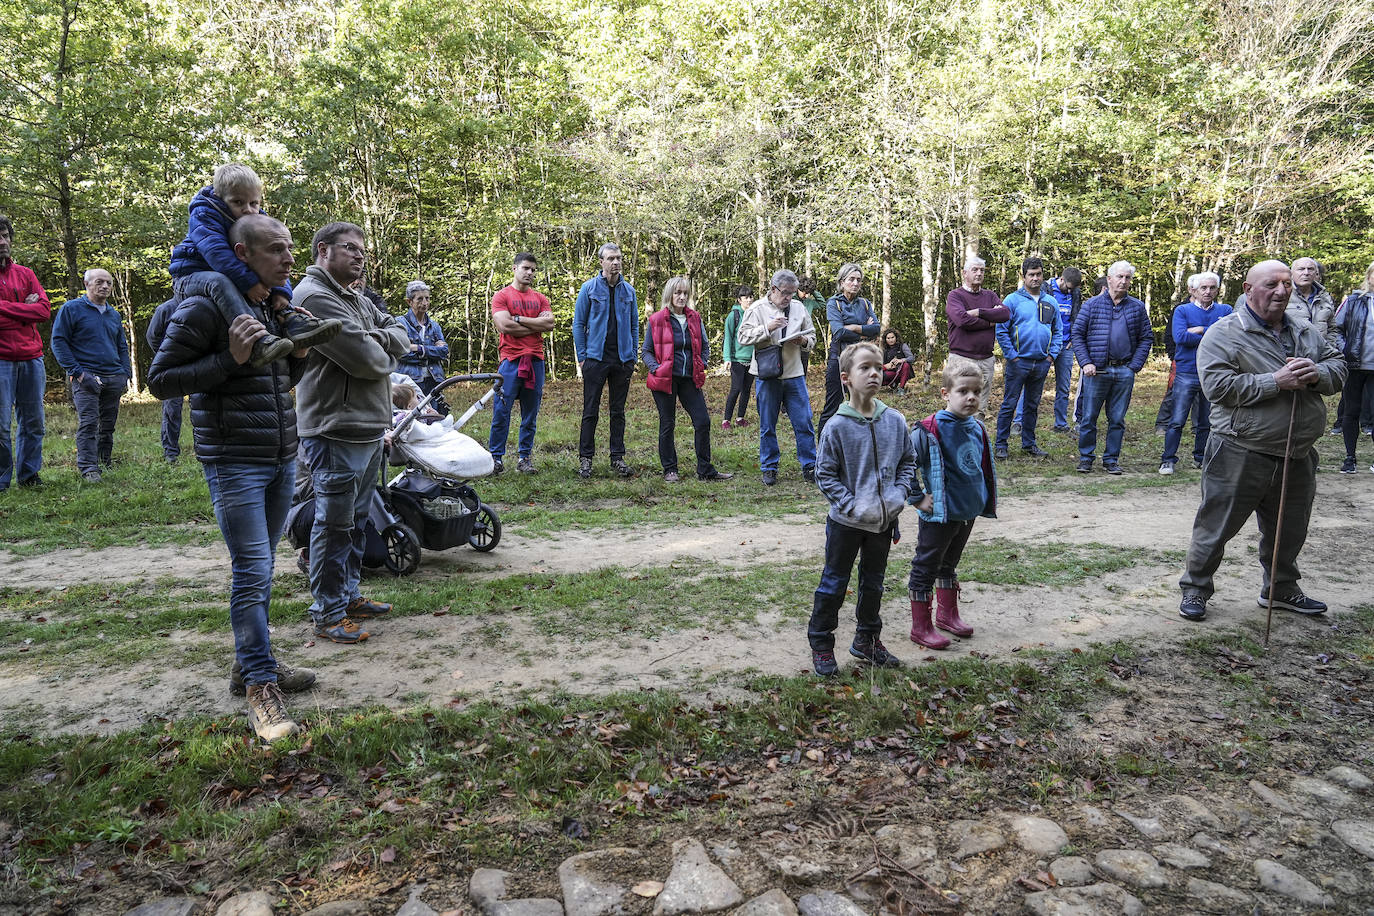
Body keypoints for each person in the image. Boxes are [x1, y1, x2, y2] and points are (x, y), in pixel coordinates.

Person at [147, 213, 317, 743]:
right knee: (252, 569)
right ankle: (262, 689)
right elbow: (160, 381)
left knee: (262, 567)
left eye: (290, 248)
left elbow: (277, 379)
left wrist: (302, 355)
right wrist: (229, 355)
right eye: (276, 250)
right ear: (241, 253)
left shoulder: (271, 304)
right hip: (234, 460)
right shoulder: (204, 307)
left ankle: (251, 664)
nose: (289, 259)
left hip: (280, 454)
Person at [1178, 260, 1346, 622]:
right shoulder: (1224, 333)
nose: (1282, 291)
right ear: (1248, 289)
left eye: (1287, 284)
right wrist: (1275, 381)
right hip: (1239, 449)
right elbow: (1218, 387)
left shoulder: (1304, 331)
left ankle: (1281, 588)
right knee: (1216, 525)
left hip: (1297, 451)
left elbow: (1338, 366)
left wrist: (1317, 373)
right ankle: (1195, 589)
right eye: (1272, 284)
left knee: (1290, 527)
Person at [295, 222, 411, 645]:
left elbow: (400, 334)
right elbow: (367, 360)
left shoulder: (353, 295)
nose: (360, 255)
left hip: (366, 425)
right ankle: (326, 613)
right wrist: (381, 343)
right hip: (334, 427)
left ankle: (347, 596)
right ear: (322, 250)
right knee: (334, 524)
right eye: (350, 248)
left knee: (357, 521)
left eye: (362, 249)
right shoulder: (314, 297)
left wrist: (379, 339)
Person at [809, 341, 915, 676]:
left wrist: (898, 496)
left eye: (878, 367)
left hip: (884, 523)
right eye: (864, 368)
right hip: (846, 523)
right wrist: (851, 505)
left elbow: (908, 462)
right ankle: (822, 643)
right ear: (846, 377)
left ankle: (867, 640)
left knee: (874, 583)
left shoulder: (895, 421)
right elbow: (824, 474)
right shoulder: (837, 426)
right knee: (834, 582)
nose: (873, 373)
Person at [169, 163, 339, 368]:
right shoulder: (205, 213)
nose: (248, 210)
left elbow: (274, 264)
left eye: (254, 203)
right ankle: (258, 341)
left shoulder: (258, 219)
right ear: (219, 196)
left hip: (228, 273)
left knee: (268, 276)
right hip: (192, 273)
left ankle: (293, 323)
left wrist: (281, 292)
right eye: (238, 202)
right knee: (219, 282)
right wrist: (249, 282)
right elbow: (217, 253)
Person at [905, 359, 998, 649]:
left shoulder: (977, 428)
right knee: (926, 565)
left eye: (976, 391)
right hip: (939, 514)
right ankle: (921, 626)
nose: (971, 397)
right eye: (963, 391)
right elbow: (905, 465)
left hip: (966, 512)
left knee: (949, 563)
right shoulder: (929, 429)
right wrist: (917, 498)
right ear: (945, 393)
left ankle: (947, 615)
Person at [642, 277, 733, 483]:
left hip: (689, 379)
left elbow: (705, 346)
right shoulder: (657, 319)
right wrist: (656, 369)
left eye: (685, 293)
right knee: (668, 423)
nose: (682, 297)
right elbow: (646, 351)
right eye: (678, 293)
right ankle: (670, 469)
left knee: (703, 421)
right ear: (670, 295)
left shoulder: (695, 318)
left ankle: (705, 470)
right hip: (665, 379)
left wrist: (704, 363)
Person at [50, 269, 132, 482]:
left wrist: (125, 374)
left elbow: (121, 346)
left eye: (108, 283)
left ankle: (105, 461)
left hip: (114, 376)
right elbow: (58, 342)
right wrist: (78, 373)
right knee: (88, 423)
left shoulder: (114, 314)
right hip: (86, 377)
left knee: (108, 424)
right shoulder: (71, 309)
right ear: (87, 284)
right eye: (99, 282)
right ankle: (88, 468)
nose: (105, 286)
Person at [737, 269, 817, 486]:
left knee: (804, 421)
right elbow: (742, 337)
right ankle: (769, 467)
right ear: (773, 289)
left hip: (794, 374)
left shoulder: (799, 308)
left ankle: (810, 466)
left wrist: (802, 342)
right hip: (767, 374)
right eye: (784, 293)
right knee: (767, 424)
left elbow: (812, 336)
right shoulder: (757, 309)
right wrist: (767, 328)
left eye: (792, 293)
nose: (788, 298)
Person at [1073, 261, 1154, 474]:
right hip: (1096, 371)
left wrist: (1134, 366)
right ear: (1109, 279)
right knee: (1089, 417)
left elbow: (1146, 337)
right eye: (1119, 277)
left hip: (1124, 371)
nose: (1123, 281)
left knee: (1117, 419)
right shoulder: (1091, 305)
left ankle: (1111, 460)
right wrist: (1086, 362)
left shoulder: (1136, 307)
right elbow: (1077, 335)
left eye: (1127, 278)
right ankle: (1086, 458)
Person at [572, 242, 639, 479]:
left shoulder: (629, 291)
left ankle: (617, 457)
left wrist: (632, 356)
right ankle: (586, 459)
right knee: (590, 410)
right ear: (601, 262)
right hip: (595, 359)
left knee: (618, 411)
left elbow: (634, 325)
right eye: (611, 258)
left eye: (619, 258)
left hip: (621, 360)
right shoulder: (588, 289)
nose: (616, 262)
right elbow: (578, 324)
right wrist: (582, 358)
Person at [1159, 272, 1231, 474]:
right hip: (1187, 371)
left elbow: (1228, 337)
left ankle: (1201, 458)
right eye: (1204, 288)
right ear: (1194, 290)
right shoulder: (1182, 310)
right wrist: (1211, 332)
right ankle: (1168, 460)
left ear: (1217, 290)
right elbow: (1180, 337)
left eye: (1212, 288)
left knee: (1206, 421)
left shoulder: (1226, 310)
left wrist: (1199, 330)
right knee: (1177, 419)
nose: (1208, 292)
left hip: (1213, 372)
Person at [488, 253, 554, 475]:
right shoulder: (501, 296)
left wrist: (518, 319)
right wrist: (535, 325)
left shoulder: (541, 298)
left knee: (530, 414)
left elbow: (550, 323)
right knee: (501, 411)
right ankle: (495, 459)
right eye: (526, 268)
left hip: (535, 361)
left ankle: (524, 458)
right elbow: (505, 327)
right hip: (510, 361)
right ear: (515, 268)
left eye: (533, 270)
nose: (530, 273)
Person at [0, 215, 51, 492]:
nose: (1, 241)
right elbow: (33, 312)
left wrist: (4, 307)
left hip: (32, 357)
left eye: (5, 235)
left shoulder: (26, 274)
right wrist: (24, 311)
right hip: (1, 359)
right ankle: (1, 481)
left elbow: (43, 310)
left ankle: (29, 476)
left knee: (33, 422)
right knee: (0, 427)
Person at [994, 257, 1062, 459]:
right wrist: (1012, 356)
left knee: (1032, 405)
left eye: (1038, 274)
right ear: (1023, 276)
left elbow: (1058, 330)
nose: (1035, 278)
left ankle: (1029, 444)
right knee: (1010, 403)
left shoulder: (1050, 302)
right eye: (1031, 274)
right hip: (1018, 362)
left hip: (1041, 363)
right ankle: (1001, 444)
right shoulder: (1012, 300)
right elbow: (1001, 329)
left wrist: (1052, 356)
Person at [819, 263, 880, 434]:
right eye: (851, 279)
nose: (855, 283)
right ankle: (824, 449)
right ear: (842, 281)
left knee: (861, 404)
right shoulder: (834, 303)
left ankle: (856, 447)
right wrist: (863, 331)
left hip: (862, 359)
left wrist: (853, 327)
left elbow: (876, 329)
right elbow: (838, 333)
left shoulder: (865, 304)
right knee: (833, 406)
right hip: (839, 359)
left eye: (858, 280)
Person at [944, 256, 1010, 413]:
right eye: (975, 270)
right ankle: (953, 438)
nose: (979, 273)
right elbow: (962, 320)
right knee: (957, 408)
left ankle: (976, 437)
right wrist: (989, 321)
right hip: (961, 359)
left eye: (982, 270)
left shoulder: (990, 296)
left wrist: (979, 312)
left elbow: (1005, 314)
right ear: (964, 273)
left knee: (979, 409)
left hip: (986, 360)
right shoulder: (955, 296)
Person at [1334, 261, 1374, 474]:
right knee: (1351, 411)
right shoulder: (1353, 301)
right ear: (1369, 277)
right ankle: (1350, 458)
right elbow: (1336, 328)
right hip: (1355, 365)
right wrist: (1345, 350)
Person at [1036, 266, 1082, 432]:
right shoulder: (1045, 289)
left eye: (1073, 289)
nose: (1069, 291)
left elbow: (1077, 316)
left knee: (1064, 386)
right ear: (1061, 279)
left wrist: (1074, 339)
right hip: (1045, 345)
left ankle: (1061, 424)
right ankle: (1021, 421)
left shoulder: (1075, 293)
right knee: (1034, 384)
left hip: (1066, 346)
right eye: (1068, 287)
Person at [396, 280, 450, 412]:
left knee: (435, 416)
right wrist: (432, 350)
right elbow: (401, 352)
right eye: (420, 299)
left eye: (427, 298)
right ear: (409, 301)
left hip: (433, 379)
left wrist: (418, 348)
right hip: (411, 380)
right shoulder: (400, 323)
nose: (425, 303)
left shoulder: (434, 325)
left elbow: (444, 352)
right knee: (414, 416)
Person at [146, 297, 186, 463]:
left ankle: (204, 449)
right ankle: (171, 452)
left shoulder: (203, 304)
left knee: (204, 409)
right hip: (171, 368)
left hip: (200, 365)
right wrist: (167, 357)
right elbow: (152, 336)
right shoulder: (166, 309)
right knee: (172, 409)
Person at [721, 285, 754, 429]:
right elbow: (728, 337)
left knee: (746, 390)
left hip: (752, 359)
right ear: (739, 300)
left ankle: (740, 418)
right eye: (746, 297)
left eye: (751, 297)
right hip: (737, 359)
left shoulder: (755, 314)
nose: (749, 300)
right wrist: (727, 358)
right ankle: (726, 420)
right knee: (736, 389)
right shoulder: (733, 316)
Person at [796, 276, 828, 371]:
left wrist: (812, 291)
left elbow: (822, 304)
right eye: (804, 292)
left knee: (803, 368)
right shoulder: (791, 299)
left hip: (805, 339)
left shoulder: (809, 302)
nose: (806, 295)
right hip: (792, 338)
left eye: (808, 293)